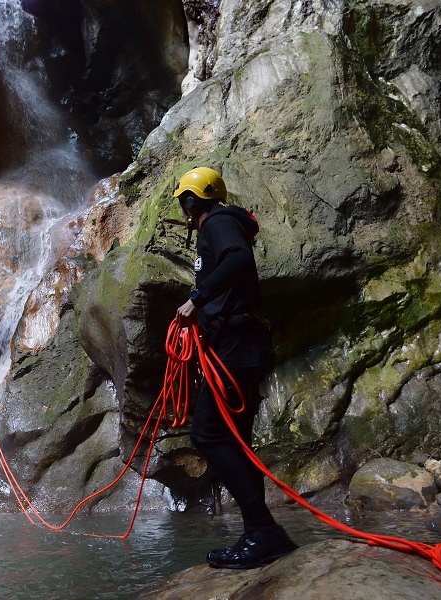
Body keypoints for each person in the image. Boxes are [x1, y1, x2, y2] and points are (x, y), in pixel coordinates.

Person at [173, 166, 296, 569]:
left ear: (193, 200)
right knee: (236, 443)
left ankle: (263, 531)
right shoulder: (224, 223)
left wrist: (198, 297)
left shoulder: (219, 222)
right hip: (239, 345)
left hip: (237, 348)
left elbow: (239, 258)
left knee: (208, 434)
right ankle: (260, 534)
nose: (183, 209)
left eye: (183, 201)